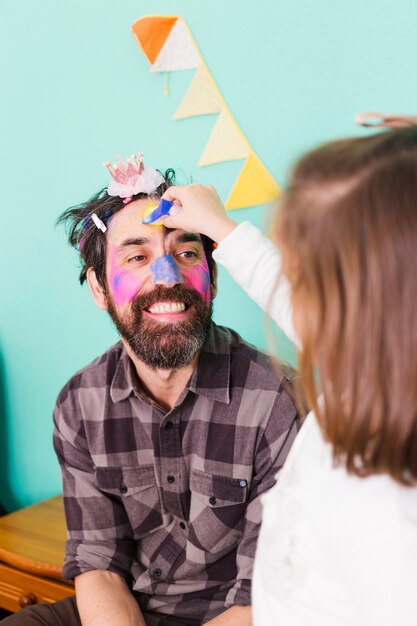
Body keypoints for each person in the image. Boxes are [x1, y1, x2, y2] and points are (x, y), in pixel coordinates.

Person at [4, 154, 302, 626]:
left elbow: (268, 597)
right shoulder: (79, 403)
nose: (167, 277)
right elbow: (99, 563)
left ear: (215, 278)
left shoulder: (279, 400)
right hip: (129, 607)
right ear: (99, 288)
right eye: (137, 257)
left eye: (186, 254)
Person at [153, 123, 417, 625]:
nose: (291, 275)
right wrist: (223, 229)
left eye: (309, 265)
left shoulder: (390, 502)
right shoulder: (366, 362)